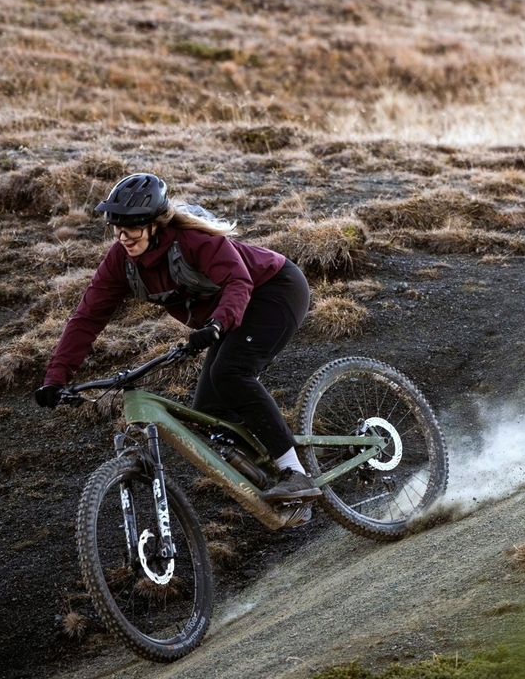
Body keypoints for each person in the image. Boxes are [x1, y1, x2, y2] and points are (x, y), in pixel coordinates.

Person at [33, 172, 319, 502]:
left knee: (230, 374)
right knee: (207, 414)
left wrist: (217, 325)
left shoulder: (192, 240)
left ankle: (295, 472)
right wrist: (55, 379)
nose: (123, 236)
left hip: (273, 290)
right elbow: (87, 319)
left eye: (131, 227)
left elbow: (238, 281)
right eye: (116, 227)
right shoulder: (120, 261)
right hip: (225, 314)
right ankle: (274, 472)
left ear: (155, 224)